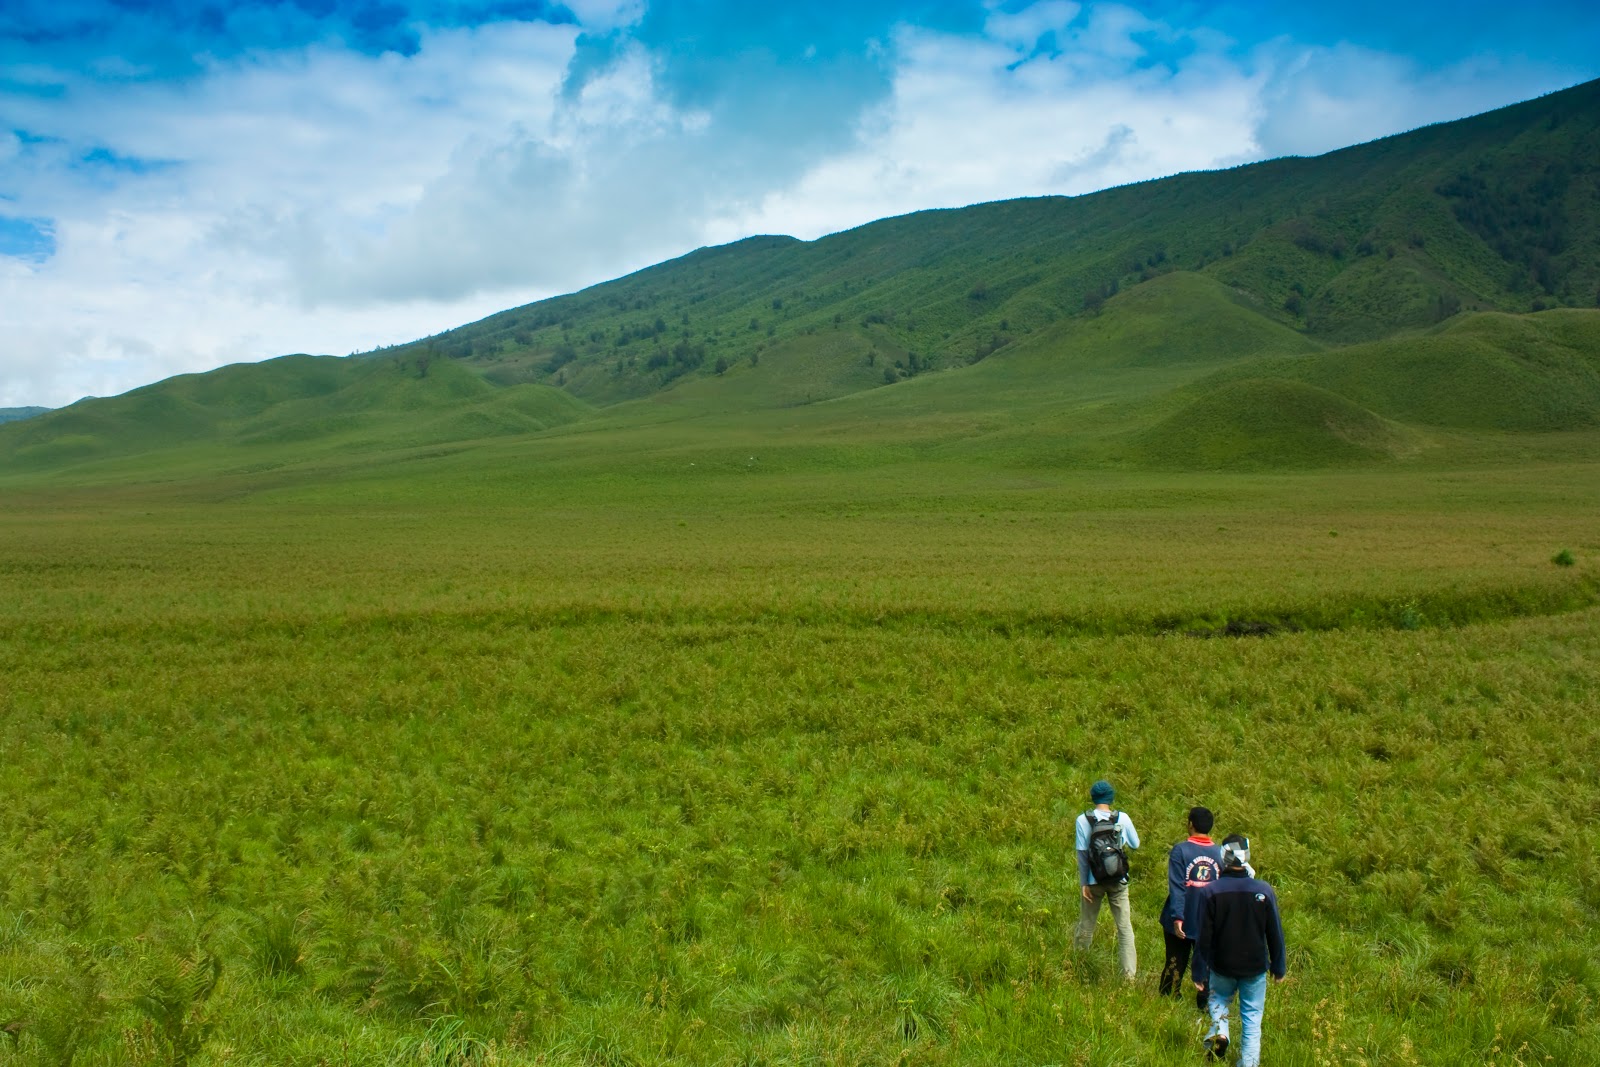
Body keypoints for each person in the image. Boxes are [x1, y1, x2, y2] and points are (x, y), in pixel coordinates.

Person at [1190, 834, 1287, 1067]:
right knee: (1252, 1019)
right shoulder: (1263, 890)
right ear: (1247, 857)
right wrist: (1278, 965)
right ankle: (1249, 1064)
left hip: (1221, 964)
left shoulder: (1210, 892)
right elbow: (1275, 931)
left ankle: (1221, 1033)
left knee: (1218, 1000)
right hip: (1255, 966)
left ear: (1223, 856)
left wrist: (1198, 971)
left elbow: (1203, 936)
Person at [1073, 779, 1140, 980]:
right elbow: (1136, 844)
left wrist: (1084, 883)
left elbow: (1082, 854)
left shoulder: (1083, 820)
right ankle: (1129, 979)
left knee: (1086, 925)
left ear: (1093, 798)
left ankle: (1079, 968)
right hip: (1119, 881)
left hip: (1093, 882)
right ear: (1111, 798)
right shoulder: (1123, 818)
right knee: (1124, 928)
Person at [1159, 806, 1222, 1008]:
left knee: (1176, 959)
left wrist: (1177, 917)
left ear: (1190, 824)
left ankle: (1169, 996)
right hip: (1209, 918)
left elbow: (1177, 885)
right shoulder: (1220, 852)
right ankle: (1205, 1003)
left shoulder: (1180, 850)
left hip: (1183, 915)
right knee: (1207, 962)